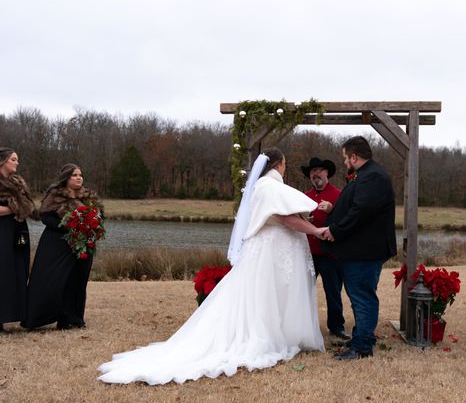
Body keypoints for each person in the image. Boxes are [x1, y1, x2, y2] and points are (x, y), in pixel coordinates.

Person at [98, 148, 325, 384]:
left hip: (264, 250)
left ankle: (276, 332)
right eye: (285, 163)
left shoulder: (259, 188)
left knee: (260, 294)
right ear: (278, 164)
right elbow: (284, 218)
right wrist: (315, 230)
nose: (285, 167)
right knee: (266, 294)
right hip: (269, 251)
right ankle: (267, 336)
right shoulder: (270, 187)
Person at [319, 136, 396, 360]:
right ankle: (362, 337)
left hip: (365, 251)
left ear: (354, 156)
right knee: (358, 295)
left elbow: (360, 212)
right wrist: (334, 210)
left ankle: (362, 347)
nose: (344, 163)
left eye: (345, 158)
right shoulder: (366, 175)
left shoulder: (373, 177)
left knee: (362, 297)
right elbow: (355, 205)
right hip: (359, 249)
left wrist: (335, 230)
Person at [22, 164, 103, 330]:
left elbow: (100, 216)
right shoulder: (55, 195)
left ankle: (73, 318)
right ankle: (41, 316)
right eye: (74, 175)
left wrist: (89, 226)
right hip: (57, 244)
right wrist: (70, 226)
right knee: (55, 280)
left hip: (83, 244)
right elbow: (46, 218)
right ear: (66, 178)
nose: (79, 177)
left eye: (80, 174)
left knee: (78, 281)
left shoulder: (89, 197)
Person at [301, 157, 348, 340]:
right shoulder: (304, 197)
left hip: (330, 253)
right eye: (313, 171)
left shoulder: (338, 195)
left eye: (319, 170)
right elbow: (297, 221)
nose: (316, 174)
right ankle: (304, 325)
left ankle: (336, 327)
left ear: (327, 173)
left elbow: (345, 221)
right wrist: (305, 220)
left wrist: (331, 211)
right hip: (308, 253)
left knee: (333, 292)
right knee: (303, 291)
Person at [0, 148, 37, 332]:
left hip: (18, 231)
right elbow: (20, 207)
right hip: (2, 232)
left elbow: (29, 205)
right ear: (3, 161)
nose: (17, 162)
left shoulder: (18, 182)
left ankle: (13, 314)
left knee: (17, 271)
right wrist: (14, 208)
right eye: (13, 159)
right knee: (2, 271)